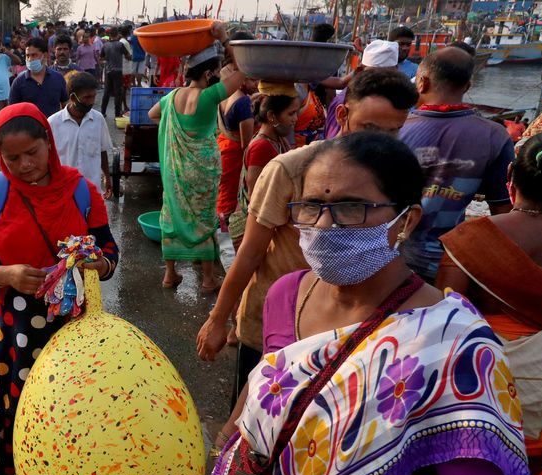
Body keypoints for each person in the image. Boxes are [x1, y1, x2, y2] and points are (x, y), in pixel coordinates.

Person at [181, 129, 533, 475]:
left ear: (407, 220)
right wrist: (237, 435)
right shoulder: (286, 294)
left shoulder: (451, 345)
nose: (324, 225)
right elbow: (279, 384)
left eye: (350, 206)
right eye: (312, 205)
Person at [195, 69, 419, 418]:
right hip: (275, 323)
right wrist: (218, 319)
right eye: (371, 130)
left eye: (393, 133)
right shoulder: (291, 168)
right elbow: (251, 252)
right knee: (254, 421)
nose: (382, 146)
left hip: (349, 326)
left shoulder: (393, 176)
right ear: (343, 115)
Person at [0, 103, 119, 475]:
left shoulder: (82, 192)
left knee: (69, 418)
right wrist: (2, 274)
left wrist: (94, 263)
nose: (25, 166)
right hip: (8, 331)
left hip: (70, 329)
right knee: (2, 414)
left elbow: (110, 258)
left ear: (49, 142)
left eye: (33, 152)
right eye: (13, 159)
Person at [437, 131, 542, 475]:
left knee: (468, 464)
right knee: (528, 466)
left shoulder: (470, 240)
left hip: (482, 384)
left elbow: (448, 319)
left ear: (510, 175)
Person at [400, 47, 514, 281]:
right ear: (467, 86)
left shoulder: (397, 127)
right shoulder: (495, 136)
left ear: (421, 83)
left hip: (393, 260)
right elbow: (502, 211)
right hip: (452, 263)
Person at [148, 24, 243, 291]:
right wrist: (224, 39)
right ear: (208, 72)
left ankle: (170, 275)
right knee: (203, 219)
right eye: (214, 71)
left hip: (176, 169)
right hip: (202, 168)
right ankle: (207, 279)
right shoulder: (211, 96)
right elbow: (242, 70)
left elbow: (152, 114)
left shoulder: (171, 97)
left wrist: (173, 133)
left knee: (172, 213)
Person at [48, 72, 114, 199]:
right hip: (64, 192)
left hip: (92, 190)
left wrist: (107, 177)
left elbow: (102, 151)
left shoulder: (98, 119)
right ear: (73, 98)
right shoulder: (53, 123)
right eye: (87, 97)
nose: (92, 102)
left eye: (94, 96)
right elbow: (47, 159)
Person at [324, 40, 400, 140]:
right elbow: (333, 143)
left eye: (389, 76)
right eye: (375, 75)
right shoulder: (347, 101)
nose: (382, 82)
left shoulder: (391, 101)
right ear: (360, 71)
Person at [216, 69, 255, 239]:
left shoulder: (226, 95)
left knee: (221, 196)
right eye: (253, 80)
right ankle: (225, 243)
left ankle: (217, 239)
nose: (257, 85)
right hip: (234, 157)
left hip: (222, 149)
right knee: (229, 201)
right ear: (242, 80)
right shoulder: (243, 103)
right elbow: (246, 145)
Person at [8, 38, 68, 118]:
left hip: (52, 128)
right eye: (27, 56)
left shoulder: (58, 78)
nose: (30, 59)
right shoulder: (19, 82)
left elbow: (65, 105)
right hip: (29, 129)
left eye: (34, 55)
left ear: (45, 55)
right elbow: (13, 111)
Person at [100, 29, 131, 119]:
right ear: (117, 35)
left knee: (106, 92)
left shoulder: (105, 45)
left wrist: (108, 60)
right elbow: (128, 56)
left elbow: (101, 58)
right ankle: (117, 114)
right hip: (118, 71)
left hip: (108, 71)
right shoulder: (120, 45)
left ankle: (102, 112)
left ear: (109, 35)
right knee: (118, 93)